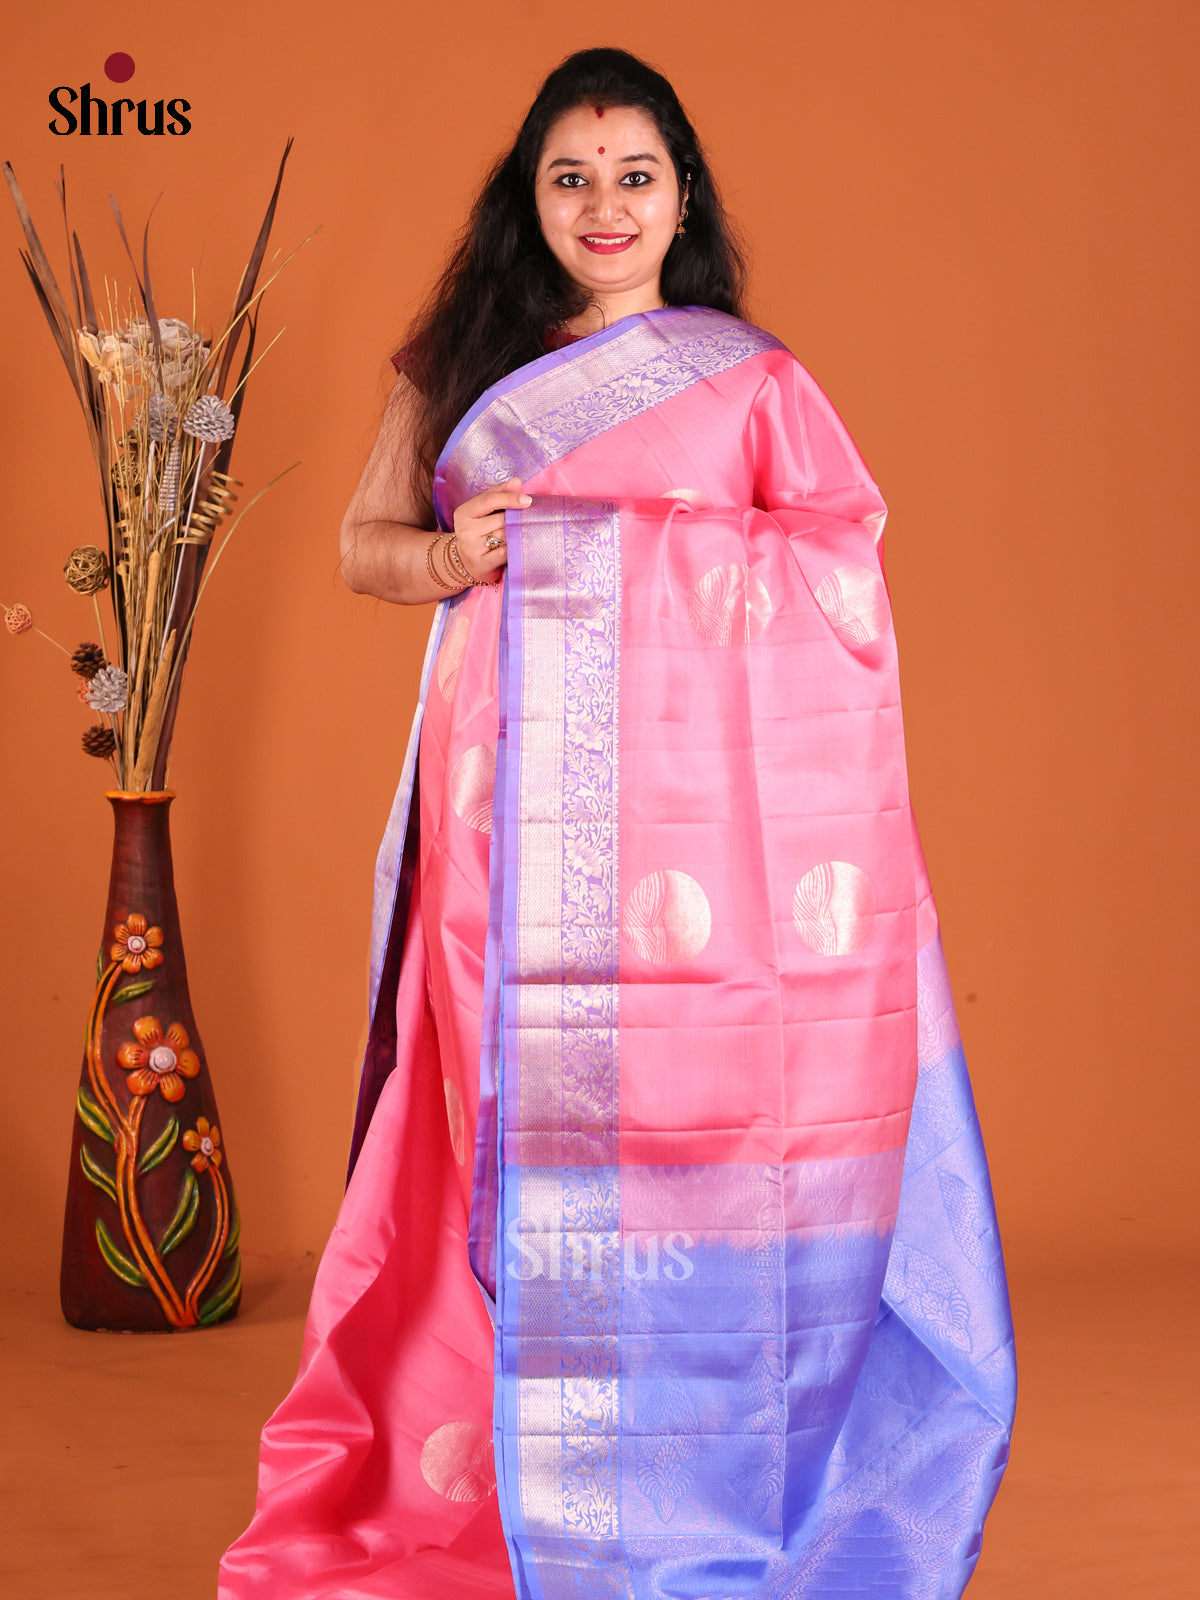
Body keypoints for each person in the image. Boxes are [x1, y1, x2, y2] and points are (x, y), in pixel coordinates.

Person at [219, 46, 1015, 1600]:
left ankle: (686, 1479)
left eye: (635, 176)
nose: (604, 206)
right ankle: (499, 1484)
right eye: (571, 177)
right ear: (529, 197)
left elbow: (841, 564)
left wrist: (634, 553)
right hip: (499, 837)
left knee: (687, 1149)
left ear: (682, 198)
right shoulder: (460, 363)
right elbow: (364, 545)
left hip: (702, 866)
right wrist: (453, 558)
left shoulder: (752, 380)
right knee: (500, 1137)